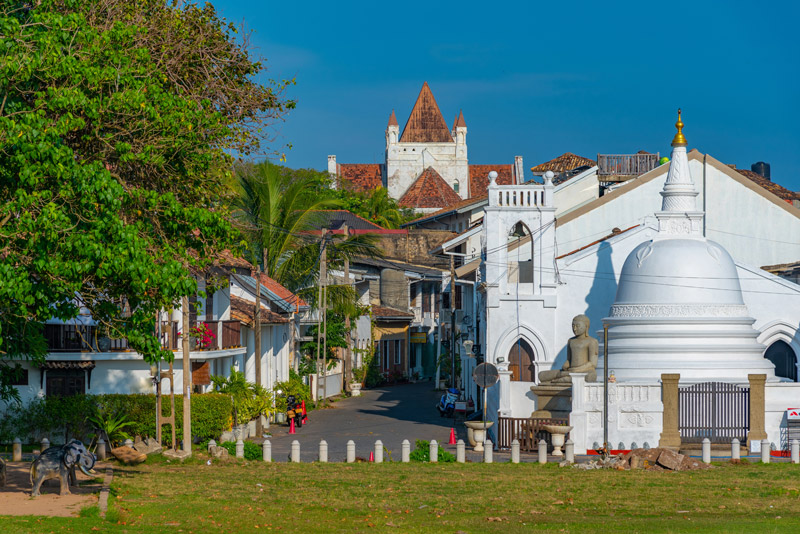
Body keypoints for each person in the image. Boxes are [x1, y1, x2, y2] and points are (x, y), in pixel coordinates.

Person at [538, 314, 598, 384]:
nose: (575, 329)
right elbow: (569, 359)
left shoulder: (592, 341)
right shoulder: (571, 341)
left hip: (584, 371)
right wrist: (566, 365)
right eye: (573, 326)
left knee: (589, 377)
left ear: (586, 326)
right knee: (541, 375)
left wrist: (576, 370)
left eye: (578, 326)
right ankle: (563, 379)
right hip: (570, 371)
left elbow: (593, 363)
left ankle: (560, 380)